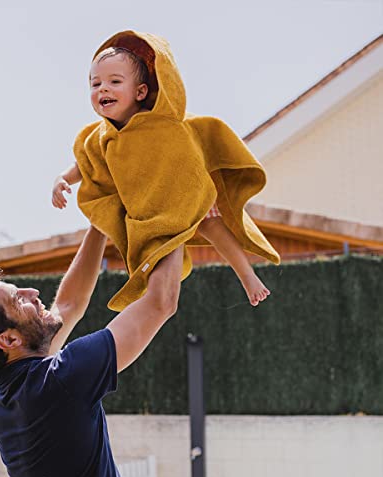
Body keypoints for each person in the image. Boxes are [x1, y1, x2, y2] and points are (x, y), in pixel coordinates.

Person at [0, 225, 183, 477]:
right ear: (8, 340)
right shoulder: (60, 380)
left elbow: (69, 304)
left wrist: (99, 225)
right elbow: (161, 301)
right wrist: (180, 215)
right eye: (19, 299)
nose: (33, 291)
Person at [52, 32, 280, 311]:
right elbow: (85, 165)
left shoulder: (163, 124)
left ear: (140, 92)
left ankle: (247, 276)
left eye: (114, 82)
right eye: (95, 83)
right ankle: (150, 297)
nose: (103, 89)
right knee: (149, 250)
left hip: (180, 194)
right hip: (147, 212)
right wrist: (63, 179)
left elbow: (194, 145)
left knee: (210, 223)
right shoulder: (98, 137)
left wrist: (201, 184)